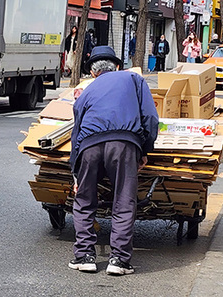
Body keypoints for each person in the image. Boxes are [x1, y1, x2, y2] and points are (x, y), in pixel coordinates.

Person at [68, 46, 159, 275]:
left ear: (92, 72)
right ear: (117, 66)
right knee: (124, 201)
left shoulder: (86, 90)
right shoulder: (134, 79)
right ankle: (118, 260)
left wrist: (76, 172)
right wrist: (145, 149)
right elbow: (150, 117)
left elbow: (76, 132)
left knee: (85, 201)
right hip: (124, 143)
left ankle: (84, 256)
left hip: (89, 145)